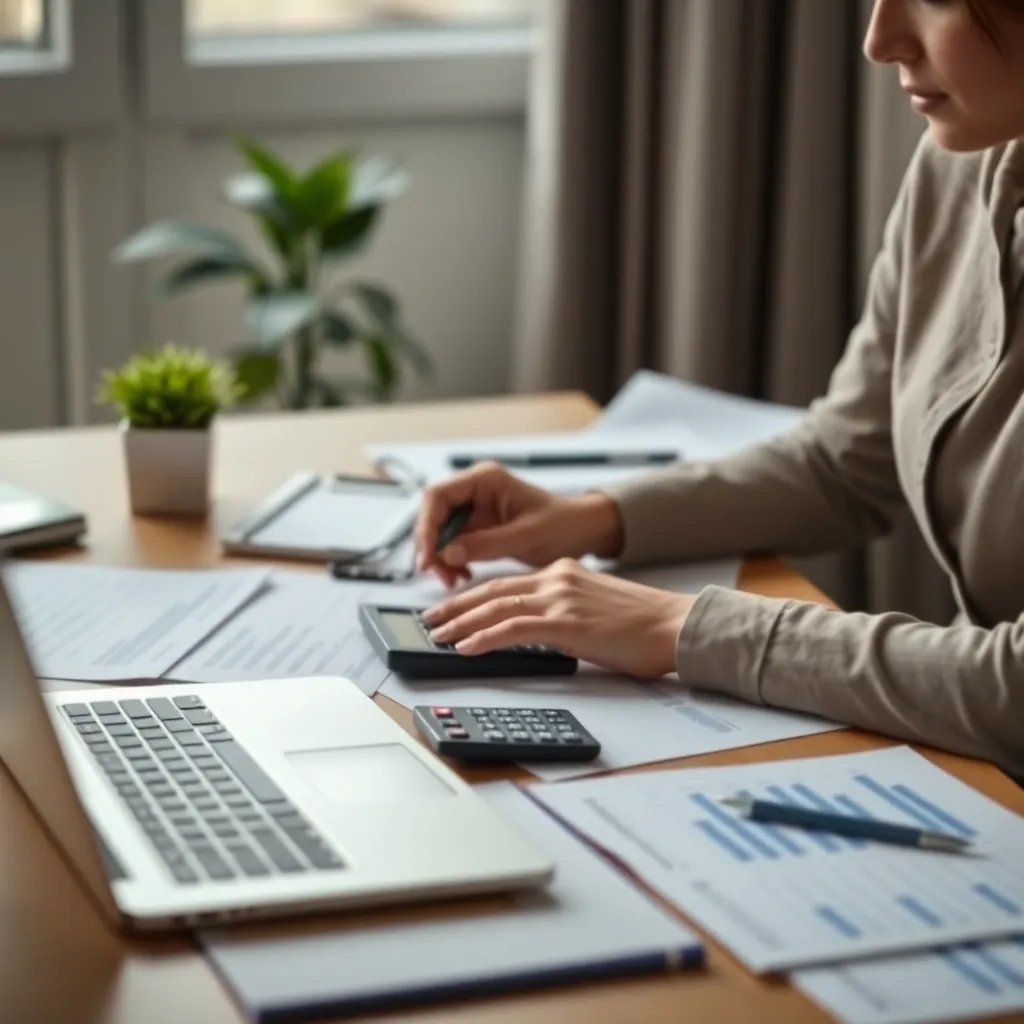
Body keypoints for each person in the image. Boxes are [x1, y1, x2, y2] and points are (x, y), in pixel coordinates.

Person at [412, 0, 1024, 780]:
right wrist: (595, 518)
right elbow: (844, 463)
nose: (879, 42)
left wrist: (687, 628)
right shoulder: (965, 162)